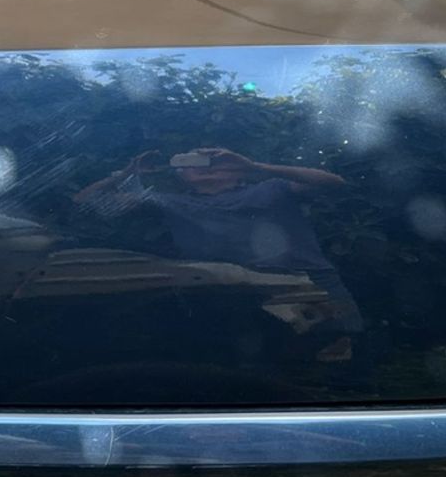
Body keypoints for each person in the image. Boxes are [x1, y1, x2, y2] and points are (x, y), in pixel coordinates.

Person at [76, 146, 361, 359]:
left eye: (218, 160)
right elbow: (85, 203)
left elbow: (333, 183)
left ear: (239, 169)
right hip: (230, 294)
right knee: (252, 370)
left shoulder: (272, 188)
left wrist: (256, 165)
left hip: (310, 288)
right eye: (193, 161)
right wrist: (127, 173)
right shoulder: (167, 201)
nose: (207, 166)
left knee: (338, 366)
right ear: (180, 173)